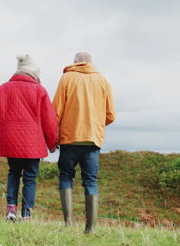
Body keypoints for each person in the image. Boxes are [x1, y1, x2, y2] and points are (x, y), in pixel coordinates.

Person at [52, 52, 116, 233]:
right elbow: (111, 115)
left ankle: (68, 223)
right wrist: (95, 126)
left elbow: (55, 111)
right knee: (90, 181)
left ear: (75, 63)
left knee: (66, 177)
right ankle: (91, 228)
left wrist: (53, 135)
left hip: (69, 139)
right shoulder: (103, 81)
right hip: (92, 140)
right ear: (90, 63)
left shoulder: (66, 78)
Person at [0, 54, 58, 222]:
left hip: (10, 141)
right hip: (32, 143)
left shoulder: (3, 88)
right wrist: (52, 143)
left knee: (13, 173)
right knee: (30, 178)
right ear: (33, 72)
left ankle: (11, 210)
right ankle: (27, 214)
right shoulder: (39, 90)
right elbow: (49, 121)